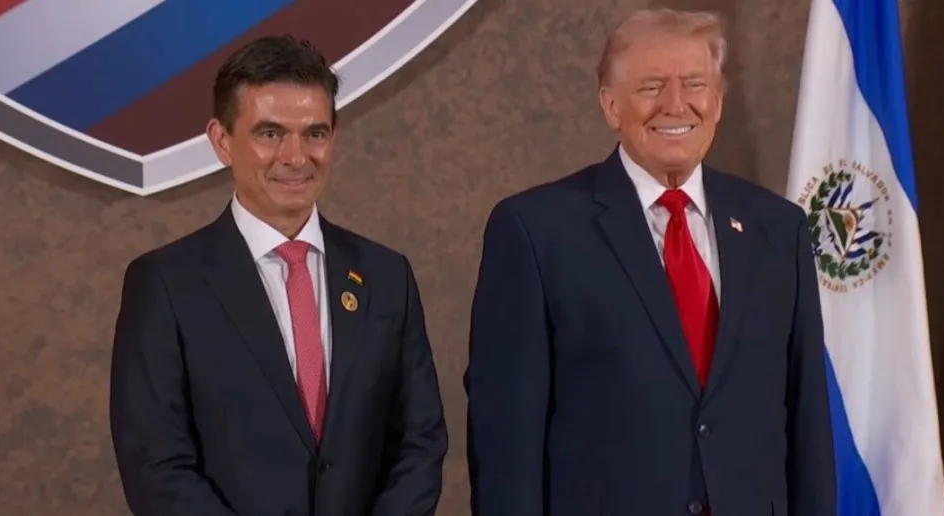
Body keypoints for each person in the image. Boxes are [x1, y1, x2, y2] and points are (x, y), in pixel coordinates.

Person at [465, 8, 836, 516]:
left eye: (694, 84)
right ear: (611, 106)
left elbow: (809, 422)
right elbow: (506, 443)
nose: (675, 104)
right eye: (652, 86)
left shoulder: (780, 229)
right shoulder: (535, 232)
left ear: (719, 101)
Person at [109, 35, 447, 516]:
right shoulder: (165, 285)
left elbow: (420, 441)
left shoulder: (386, 276)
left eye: (315, 133)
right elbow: (157, 467)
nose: (296, 156)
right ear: (221, 141)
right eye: (270, 134)